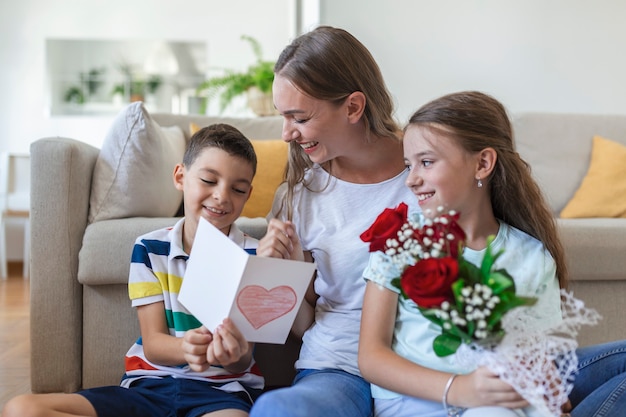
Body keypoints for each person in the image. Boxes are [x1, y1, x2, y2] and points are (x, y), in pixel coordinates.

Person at [357, 91, 626, 417]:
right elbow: (371, 356)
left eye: (426, 162)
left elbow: (533, 358)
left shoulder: (531, 256)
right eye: (408, 165)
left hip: (502, 400)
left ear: (482, 163)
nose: (412, 179)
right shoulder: (401, 239)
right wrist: (460, 389)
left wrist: (547, 391)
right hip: (419, 406)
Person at [2, 124, 264, 417]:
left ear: (247, 194)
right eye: (208, 180)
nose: (221, 196)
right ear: (180, 177)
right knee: (21, 408)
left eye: (237, 189)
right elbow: (153, 344)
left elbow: (242, 361)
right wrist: (185, 348)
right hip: (148, 388)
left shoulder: (254, 256)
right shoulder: (149, 248)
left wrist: (233, 356)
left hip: (221, 395)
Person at [249, 26, 418, 417]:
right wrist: (282, 272)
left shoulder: (427, 171)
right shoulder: (299, 197)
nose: (286, 133)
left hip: (427, 360)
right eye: (283, 117)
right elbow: (304, 323)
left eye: (299, 117)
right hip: (339, 369)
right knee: (277, 411)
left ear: (354, 107)